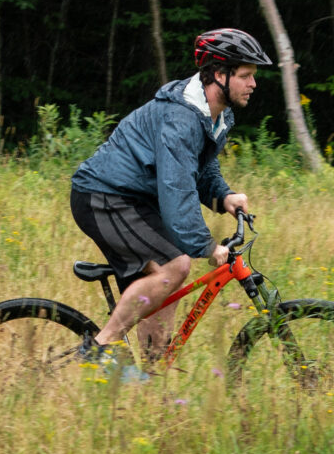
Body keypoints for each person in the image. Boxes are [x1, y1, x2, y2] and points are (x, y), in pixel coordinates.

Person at [67, 27, 268, 376]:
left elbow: (200, 169)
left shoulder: (213, 114)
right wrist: (206, 246)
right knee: (177, 266)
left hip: (135, 200)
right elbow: (176, 188)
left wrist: (223, 195)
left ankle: (150, 379)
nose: (253, 84)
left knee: (167, 283)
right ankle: (100, 347)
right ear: (219, 75)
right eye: (245, 76)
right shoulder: (181, 118)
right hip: (102, 196)